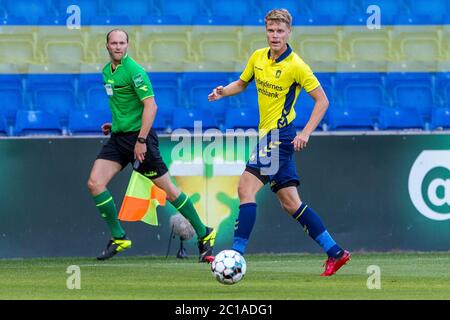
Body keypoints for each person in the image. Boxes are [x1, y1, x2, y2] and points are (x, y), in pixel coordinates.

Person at [207, 9, 350, 276]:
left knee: (245, 188)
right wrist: (223, 91)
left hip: (280, 136)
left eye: (280, 31)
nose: (275, 35)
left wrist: (305, 132)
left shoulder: (296, 65)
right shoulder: (258, 57)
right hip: (267, 136)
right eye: (271, 30)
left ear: (288, 33)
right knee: (291, 203)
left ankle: (235, 256)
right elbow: (242, 82)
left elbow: (323, 101)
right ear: (266, 31)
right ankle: (336, 252)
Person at [87, 29, 216, 262]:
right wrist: (115, 124)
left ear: (128, 45)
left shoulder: (135, 71)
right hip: (118, 138)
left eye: (122, 43)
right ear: (106, 46)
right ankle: (119, 237)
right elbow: (124, 105)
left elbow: (151, 106)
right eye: (114, 43)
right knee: (95, 183)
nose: (118, 47)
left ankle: (204, 233)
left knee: (169, 190)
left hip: (139, 139)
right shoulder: (107, 71)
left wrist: (141, 140)